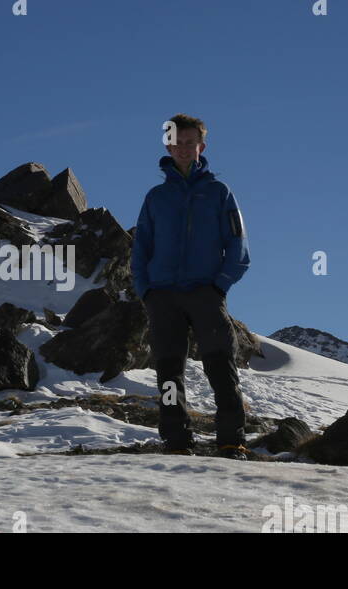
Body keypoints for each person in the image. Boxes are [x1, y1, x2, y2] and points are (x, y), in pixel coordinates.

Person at [130, 113, 251, 459]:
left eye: (189, 142)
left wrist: (219, 285)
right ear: (168, 145)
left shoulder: (218, 193)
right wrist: (146, 290)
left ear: (201, 145)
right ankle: (176, 439)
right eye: (176, 142)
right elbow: (141, 248)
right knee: (169, 374)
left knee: (221, 368)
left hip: (204, 293)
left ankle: (231, 440)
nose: (183, 148)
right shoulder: (156, 197)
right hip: (163, 296)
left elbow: (238, 246)